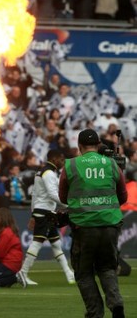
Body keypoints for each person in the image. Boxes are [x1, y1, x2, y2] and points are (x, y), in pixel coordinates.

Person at [59, 128, 127, 318]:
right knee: (107, 268)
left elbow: (63, 197)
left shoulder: (71, 165)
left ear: (79, 147)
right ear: (98, 145)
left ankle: (95, 313)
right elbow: (123, 195)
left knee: (83, 272)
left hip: (84, 228)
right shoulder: (112, 164)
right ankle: (116, 303)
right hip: (110, 225)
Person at [17, 149, 75, 286]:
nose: (62, 162)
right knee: (37, 242)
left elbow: (35, 196)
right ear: (54, 159)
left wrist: (33, 213)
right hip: (45, 212)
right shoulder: (49, 173)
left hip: (42, 211)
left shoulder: (41, 171)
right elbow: (52, 194)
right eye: (61, 160)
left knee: (56, 244)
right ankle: (23, 272)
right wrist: (68, 204)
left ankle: (68, 273)